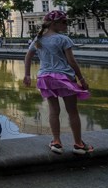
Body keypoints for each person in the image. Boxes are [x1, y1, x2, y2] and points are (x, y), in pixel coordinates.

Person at [24, 10, 92, 155]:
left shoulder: (38, 39)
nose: (66, 24)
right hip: (64, 77)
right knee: (72, 111)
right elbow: (71, 61)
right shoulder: (63, 39)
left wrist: (27, 75)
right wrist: (81, 79)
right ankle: (78, 144)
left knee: (54, 111)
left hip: (45, 78)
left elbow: (28, 57)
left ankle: (56, 142)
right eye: (64, 22)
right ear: (55, 23)